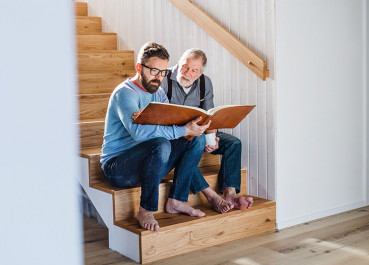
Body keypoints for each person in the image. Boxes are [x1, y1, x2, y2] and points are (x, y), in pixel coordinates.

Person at [100, 42, 211, 231]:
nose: (158, 77)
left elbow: (167, 126)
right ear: (138, 68)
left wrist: (186, 129)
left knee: (196, 139)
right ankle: (146, 209)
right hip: (118, 167)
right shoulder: (125, 94)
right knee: (160, 144)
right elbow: (140, 134)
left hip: (149, 163)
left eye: (163, 72)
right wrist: (166, 128)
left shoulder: (158, 93)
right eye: (153, 71)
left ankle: (176, 200)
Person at [160, 48, 254, 213]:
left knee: (233, 144)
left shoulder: (205, 83)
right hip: (173, 135)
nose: (187, 72)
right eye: (184, 66)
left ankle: (229, 193)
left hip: (198, 132)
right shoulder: (163, 78)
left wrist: (211, 141)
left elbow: (210, 116)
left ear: (201, 72)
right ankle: (210, 196)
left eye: (194, 70)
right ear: (178, 62)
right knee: (188, 148)